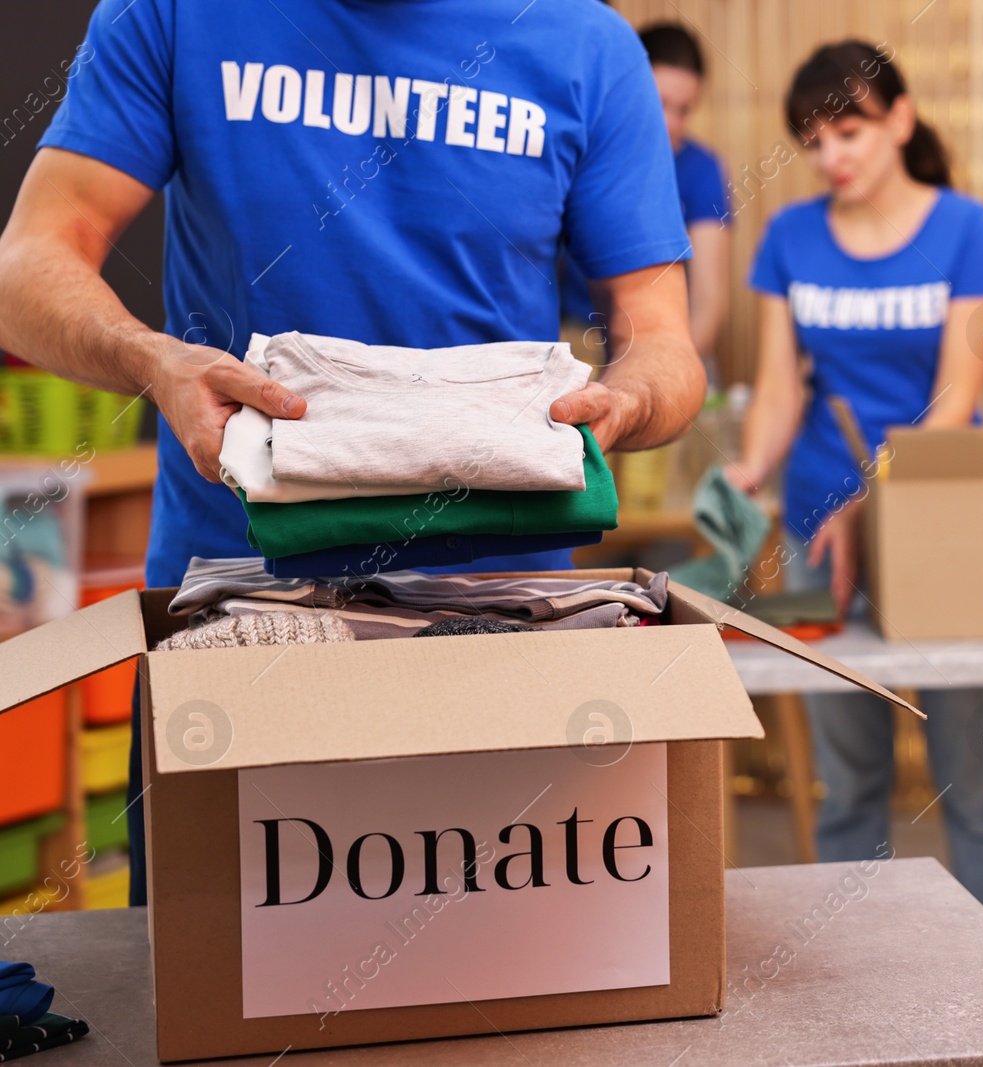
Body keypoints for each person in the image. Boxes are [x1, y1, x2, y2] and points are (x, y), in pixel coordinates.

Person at [0, 0, 705, 904]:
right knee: (220, 1010)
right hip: (237, 626)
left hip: (508, 630)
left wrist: (632, 397)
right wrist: (154, 359)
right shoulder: (176, 14)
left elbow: (666, 344)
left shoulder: (584, 42)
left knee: (516, 1006)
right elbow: (28, 264)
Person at [727, 41, 983, 937]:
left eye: (848, 131)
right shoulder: (790, 238)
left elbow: (955, 400)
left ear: (900, 120)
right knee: (848, 779)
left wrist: (880, 502)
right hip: (826, 534)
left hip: (946, 534)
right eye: (813, 142)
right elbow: (782, 388)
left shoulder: (967, 230)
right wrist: (745, 472)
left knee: (971, 784)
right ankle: (858, 995)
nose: (832, 157)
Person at [560, 22, 729, 366]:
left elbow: (709, 299)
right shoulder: (584, 155)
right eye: (659, 102)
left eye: (683, 110)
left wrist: (674, 371)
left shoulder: (701, 168)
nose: (671, 123)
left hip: (674, 337)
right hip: (582, 335)